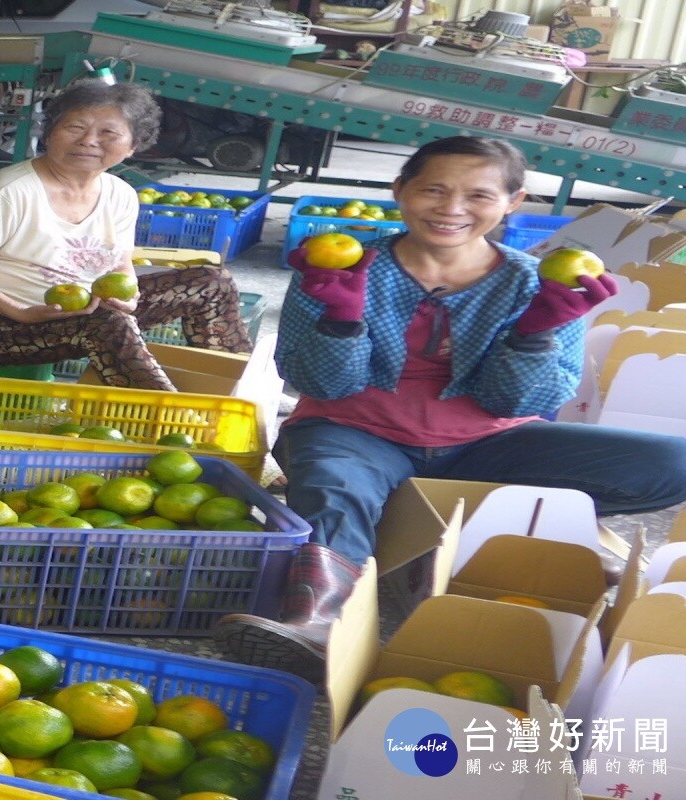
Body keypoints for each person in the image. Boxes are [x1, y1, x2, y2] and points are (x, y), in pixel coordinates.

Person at [213, 136, 686, 682]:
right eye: (433, 189)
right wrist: (341, 315)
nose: (452, 208)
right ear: (400, 191)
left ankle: (473, 518)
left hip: (491, 441)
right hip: (354, 431)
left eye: (478, 195)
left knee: (670, 462)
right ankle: (320, 624)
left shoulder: (541, 284)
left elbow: (522, 402)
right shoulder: (339, 270)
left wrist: (537, 330)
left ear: (514, 201)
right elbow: (322, 383)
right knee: (333, 487)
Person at [0, 79, 252, 391]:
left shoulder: (119, 194)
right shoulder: (7, 193)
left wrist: (130, 296)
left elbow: (119, 267)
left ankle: (238, 388)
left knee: (212, 283)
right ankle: (175, 423)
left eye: (109, 132)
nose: (89, 141)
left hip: (73, 312)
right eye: (75, 127)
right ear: (50, 134)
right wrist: (19, 311)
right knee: (107, 323)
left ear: (134, 145)